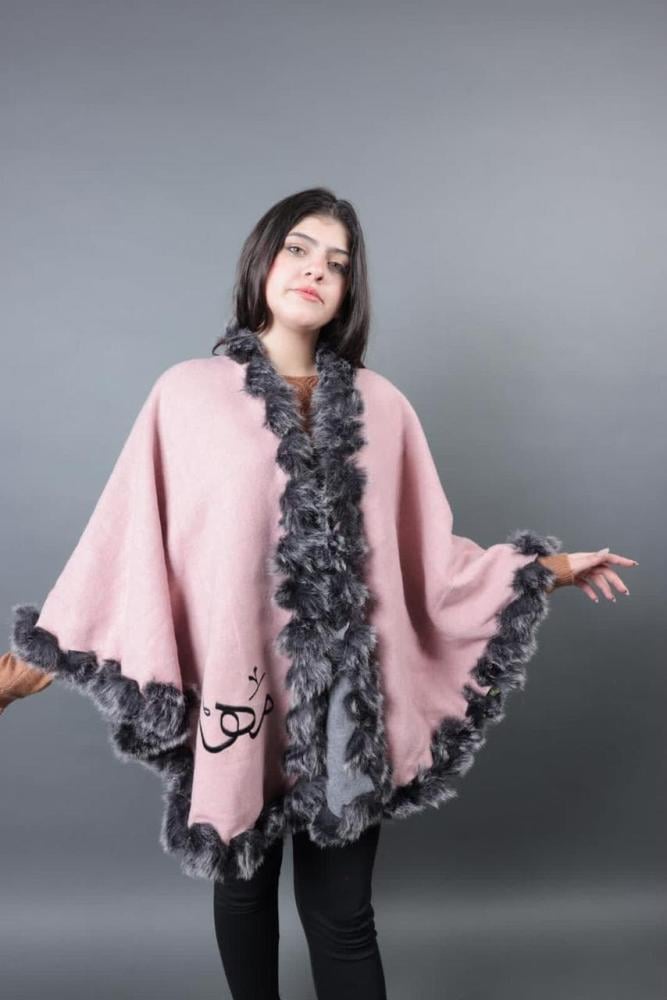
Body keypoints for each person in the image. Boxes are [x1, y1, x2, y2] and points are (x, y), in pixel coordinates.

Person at [3, 187, 637, 1000]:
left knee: (342, 914)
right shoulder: (186, 395)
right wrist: (27, 667)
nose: (314, 271)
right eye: (298, 249)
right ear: (262, 260)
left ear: (347, 291)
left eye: (336, 264)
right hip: (239, 689)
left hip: (347, 707)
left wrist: (546, 568)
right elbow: (125, 546)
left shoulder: (384, 408)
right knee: (242, 888)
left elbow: (428, 560)